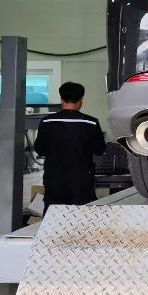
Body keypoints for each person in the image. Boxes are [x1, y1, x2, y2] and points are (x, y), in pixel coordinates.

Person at [33, 82, 106, 212]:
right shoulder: (91, 123)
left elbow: (40, 149)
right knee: (83, 217)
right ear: (81, 100)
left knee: (54, 216)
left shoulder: (47, 122)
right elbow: (100, 150)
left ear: (62, 100)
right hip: (82, 180)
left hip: (54, 180)